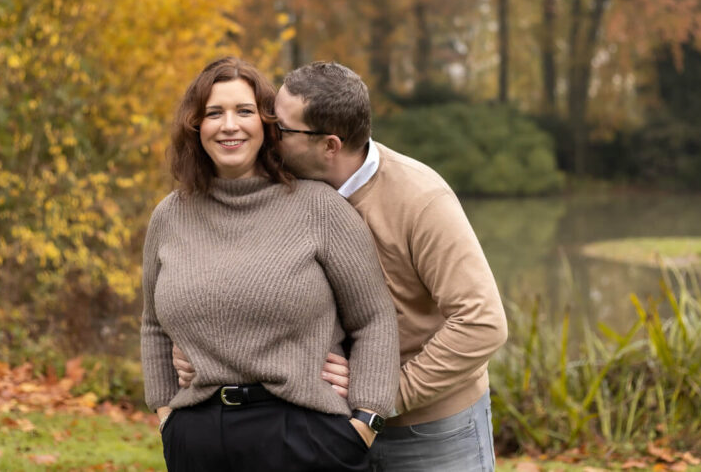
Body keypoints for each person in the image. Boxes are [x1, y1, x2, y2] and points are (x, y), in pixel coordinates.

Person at [174, 61, 508, 471]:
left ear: (329, 145)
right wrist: (201, 350)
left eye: (281, 127)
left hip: (429, 429)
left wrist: (380, 399)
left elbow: (482, 323)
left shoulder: (420, 199)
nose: (267, 132)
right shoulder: (284, 193)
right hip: (324, 426)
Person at [141, 56, 399, 472]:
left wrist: (366, 418)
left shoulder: (319, 207)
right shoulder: (169, 216)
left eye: (244, 111)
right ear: (195, 126)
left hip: (306, 438)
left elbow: (373, 318)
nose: (229, 125)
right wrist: (166, 415)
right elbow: (153, 325)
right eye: (213, 113)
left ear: (267, 124)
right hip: (198, 440)